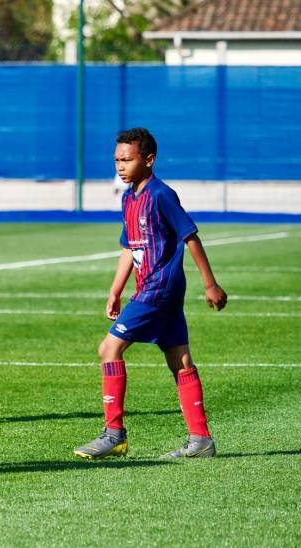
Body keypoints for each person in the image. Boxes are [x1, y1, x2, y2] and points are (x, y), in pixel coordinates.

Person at [73, 127, 228, 460]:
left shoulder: (161, 194)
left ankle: (114, 433)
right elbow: (130, 248)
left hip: (160, 287)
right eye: (116, 160)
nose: (120, 166)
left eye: (127, 159)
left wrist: (210, 283)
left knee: (109, 348)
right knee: (180, 359)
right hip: (152, 290)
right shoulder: (129, 198)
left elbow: (190, 236)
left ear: (149, 159)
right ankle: (201, 439)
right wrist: (115, 291)